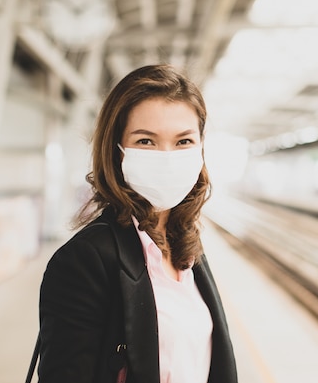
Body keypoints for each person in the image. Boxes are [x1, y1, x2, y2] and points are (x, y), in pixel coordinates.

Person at [37, 64, 238, 383]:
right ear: (116, 151)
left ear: (200, 147)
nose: (167, 156)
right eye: (146, 141)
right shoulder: (83, 261)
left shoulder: (186, 248)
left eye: (183, 141)